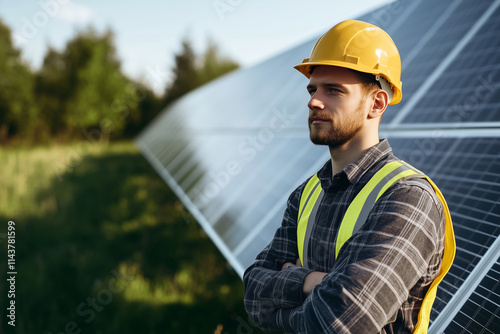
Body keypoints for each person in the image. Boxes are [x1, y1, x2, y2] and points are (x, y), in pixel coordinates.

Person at [243, 20, 455, 334]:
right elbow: (252, 293)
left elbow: (341, 325)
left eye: (334, 91)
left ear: (377, 103)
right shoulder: (306, 194)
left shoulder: (408, 198)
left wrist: (286, 298)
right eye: (313, 89)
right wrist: (310, 282)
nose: (313, 101)